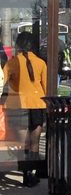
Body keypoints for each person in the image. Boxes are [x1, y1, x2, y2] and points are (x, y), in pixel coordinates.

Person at [3, 31, 47, 187]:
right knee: (34, 142)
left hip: (18, 106)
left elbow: (3, 83)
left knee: (23, 144)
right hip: (37, 106)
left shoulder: (12, 63)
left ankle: (25, 172)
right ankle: (31, 173)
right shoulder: (41, 63)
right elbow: (46, 87)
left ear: (18, 45)